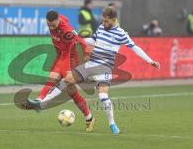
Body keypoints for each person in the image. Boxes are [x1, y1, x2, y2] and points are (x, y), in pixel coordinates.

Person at [27, 7, 160, 134]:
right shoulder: (101, 28)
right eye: (103, 20)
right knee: (66, 80)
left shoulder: (121, 33)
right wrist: (78, 40)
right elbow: (93, 40)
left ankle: (112, 124)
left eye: (107, 21)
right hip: (91, 64)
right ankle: (41, 103)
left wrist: (150, 61)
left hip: (104, 67)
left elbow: (135, 47)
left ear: (114, 20)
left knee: (103, 96)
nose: (104, 23)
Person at [27, 10, 95, 132]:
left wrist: (87, 54)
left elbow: (81, 41)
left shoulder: (67, 30)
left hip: (70, 57)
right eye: (48, 24)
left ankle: (40, 102)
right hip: (60, 55)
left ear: (58, 20)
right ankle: (89, 117)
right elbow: (65, 18)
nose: (50, 27)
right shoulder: (58, 19)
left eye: (52, 24)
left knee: (58, 79)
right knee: (71, 91)